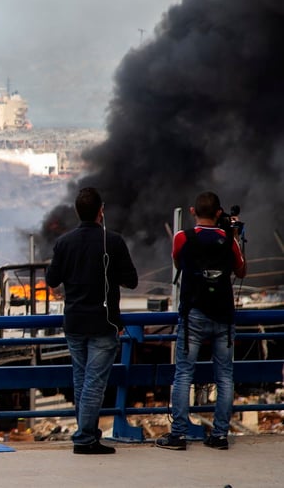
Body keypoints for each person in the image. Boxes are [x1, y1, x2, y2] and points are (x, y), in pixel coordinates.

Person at [46, 187, 138, 455]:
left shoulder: (64, 243)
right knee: (94, 383)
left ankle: (86, 435)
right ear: (101, 211)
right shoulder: (114, 242)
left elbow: (52, 280)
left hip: (74, 323)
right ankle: (85, 439)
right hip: (103, 323)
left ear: (77, 212)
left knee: (82, 380)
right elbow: (131, 280)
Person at [156, 191, 247, 451]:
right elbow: (241, 271)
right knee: (225, 376)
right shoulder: (228, 239)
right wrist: (234, 237)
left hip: (193, 314)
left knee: (184, 374)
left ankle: (179, 435)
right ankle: (219, 435)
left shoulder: (182, 237)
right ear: (219, 213)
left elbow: (178, 263)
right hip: (223, 316)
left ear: (193, 211)